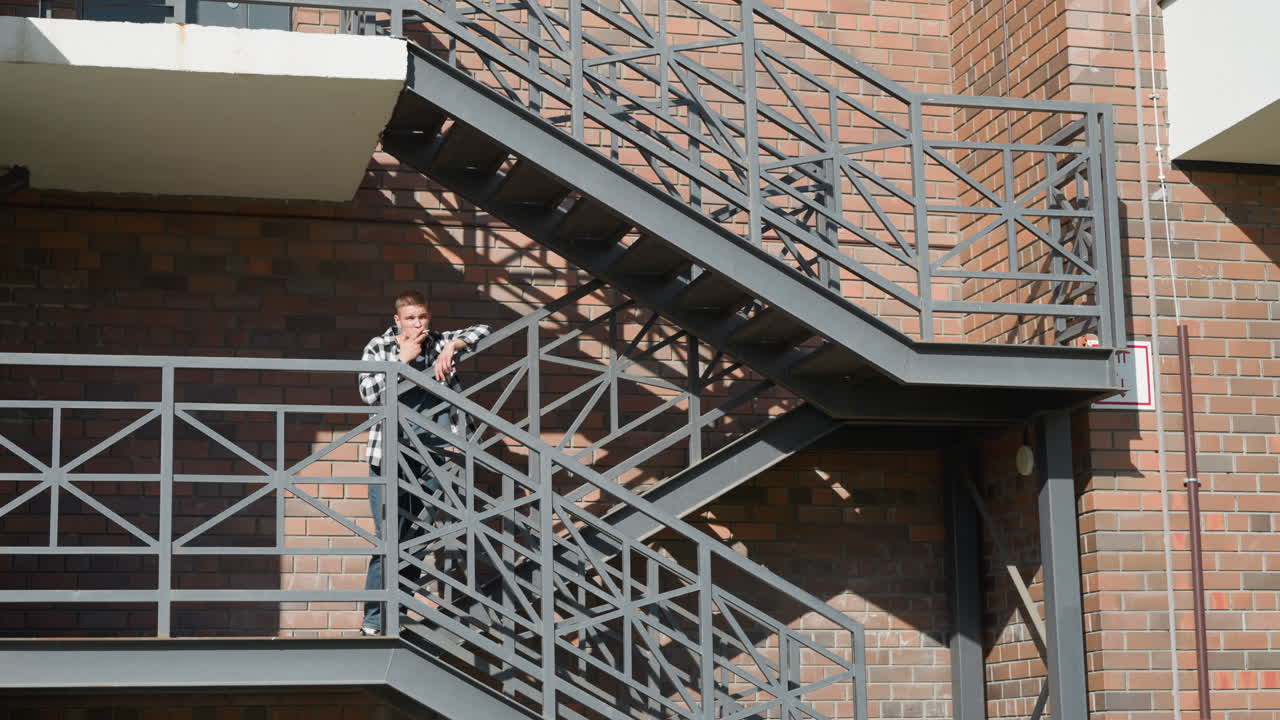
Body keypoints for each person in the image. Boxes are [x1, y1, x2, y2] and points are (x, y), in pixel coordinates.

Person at [357, 290, 490, 636]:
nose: (418, 324)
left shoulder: (439, 342)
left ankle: (397, 610)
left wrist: (451, 348)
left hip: (433, 457)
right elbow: (369, 395)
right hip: (388, 456)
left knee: (418, 537)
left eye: (423, 317)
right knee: (388, 538)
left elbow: (482, 330)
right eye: (411, 318)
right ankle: (374, 620)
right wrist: (401, 361)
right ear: (397, 320)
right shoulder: (379, 348)